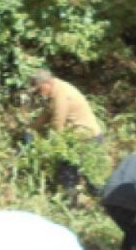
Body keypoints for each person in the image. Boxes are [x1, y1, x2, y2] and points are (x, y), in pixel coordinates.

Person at [29, 68, 104, 202]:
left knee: (74, 173)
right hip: (81, 136)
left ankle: (75, 203)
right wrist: (30, 129)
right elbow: (47, 113)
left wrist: (50, 145)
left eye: (39, 89)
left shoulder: (61, 95)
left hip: (87, 137)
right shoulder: (56, 90)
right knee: (77, 173)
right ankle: (79, 202)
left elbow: (57, 123)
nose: (39, 93)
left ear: (47, 84)